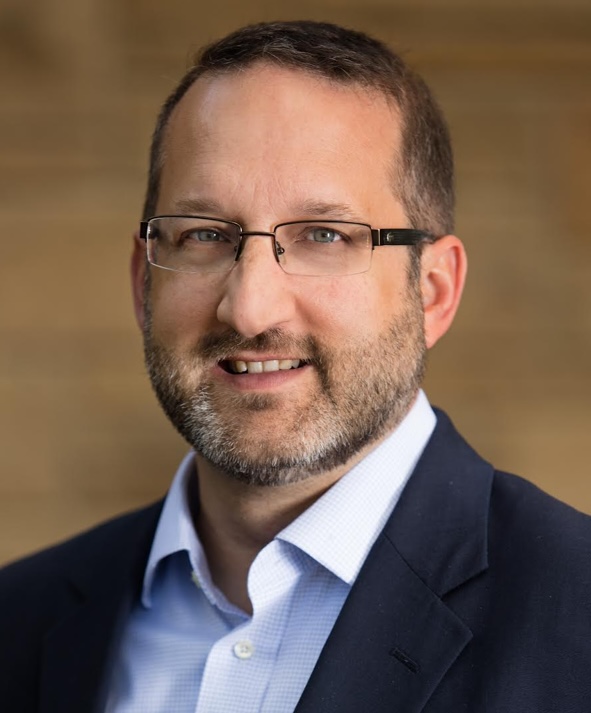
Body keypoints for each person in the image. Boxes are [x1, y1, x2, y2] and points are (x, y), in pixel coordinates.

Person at [1, 19, 590, 713]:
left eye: (323, 235)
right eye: (204, 235)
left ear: (432, 290)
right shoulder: (18, 619)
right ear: (143, 282)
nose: (249, 309)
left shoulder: (574, 618)